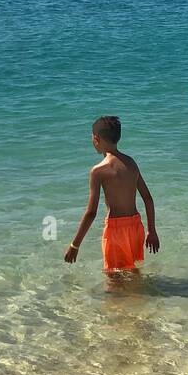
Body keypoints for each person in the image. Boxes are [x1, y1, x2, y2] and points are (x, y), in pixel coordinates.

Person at [64, 115, 160, 273]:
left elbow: (91, 213)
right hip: (136, 227)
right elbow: (148, 199)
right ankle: (138, 297)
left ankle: (125, 298)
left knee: (114, 277)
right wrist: (152, 231)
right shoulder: (130, 162)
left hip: (115, 230)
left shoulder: (98, 171)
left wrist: (75, 245)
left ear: (96, 138)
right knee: (132, 271)